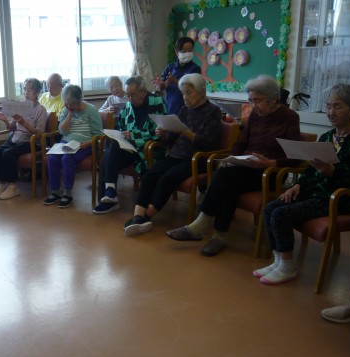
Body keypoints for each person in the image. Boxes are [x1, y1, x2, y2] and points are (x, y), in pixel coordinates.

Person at [166, 75, 301, 256]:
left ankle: (204, 227)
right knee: (227, 179)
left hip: (271, 172)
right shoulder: (254, 115)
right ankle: (218, 236)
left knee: (225, 179)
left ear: (273, 99)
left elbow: (295, 157)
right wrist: (231, 158)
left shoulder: (290, 117)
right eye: (251, 101)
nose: (253, 106)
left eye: (257, 101)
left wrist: (270, 162)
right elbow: (241, 142)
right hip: (247, 166)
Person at [253, 83, 350, 285]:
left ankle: (288, 267)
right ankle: (278, 261)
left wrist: (334, 172)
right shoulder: (327, 136)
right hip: (316, 192)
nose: (331, 112)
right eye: (328, 106)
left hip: (340, 198)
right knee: (270, 208)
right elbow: (310, 169)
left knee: (281, 214)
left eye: (337, 106)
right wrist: (297, 186)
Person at [123, 74, 221, 236]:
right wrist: (164, 134)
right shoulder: (184, 110)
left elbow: (208, 143)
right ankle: (137, 216)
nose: (185, 97)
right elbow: (171, 138)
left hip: (198, 158)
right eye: (183, 93)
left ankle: (146, 218)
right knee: (150, 175)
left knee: (167, 179)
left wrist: (186, 132)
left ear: (202, 92)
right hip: (177, 154)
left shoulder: (213, 112)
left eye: (189, 93)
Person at [92, 75, 167, 214]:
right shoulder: (128, 105)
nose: (129, 98)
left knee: (110, 156)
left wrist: (133, 135)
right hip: (131, 148)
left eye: (133, 94)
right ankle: (110, 194)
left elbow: (160, 132)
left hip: (148, 149)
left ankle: (111, 195)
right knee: (111, 149)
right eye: (128, 95)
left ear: (143, 92)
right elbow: (121, 125)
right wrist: (118, 134)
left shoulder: (156, 101)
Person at [43, 84, 103, 208]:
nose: (69, 106)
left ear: (79, 100)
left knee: (67, 158)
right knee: (52, 158)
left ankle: (67, 193)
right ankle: (55, 191)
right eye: (66, 103)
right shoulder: (66, 110)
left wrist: (88, 143)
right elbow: (62, 132)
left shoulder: (91, 110)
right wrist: (70, 114)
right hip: (67, 143)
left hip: (85, 144)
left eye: (72, 104)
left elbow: (99, 134)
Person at [0, 78, 48, 200]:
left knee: (8, 153)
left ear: (37, 92)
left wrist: (24, 122)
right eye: (25, 89)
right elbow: (12, 128)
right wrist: (5, 120)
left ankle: (13, 186)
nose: (26, 92)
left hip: (31, 141)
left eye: (30, 90)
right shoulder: (20, 106)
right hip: (16, 138)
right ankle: (1, 186)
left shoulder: (41, 110)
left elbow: (39, 133)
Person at [155, 37, 201, 115]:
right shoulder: (170, 67)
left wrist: (175, 81)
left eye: (190, 50)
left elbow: (193, 89)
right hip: (170, 107)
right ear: (177, 52)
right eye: (184, 51)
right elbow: (162, 87)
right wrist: (160, 85)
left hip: (187, 110)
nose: (187, 53)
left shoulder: (195, 69)